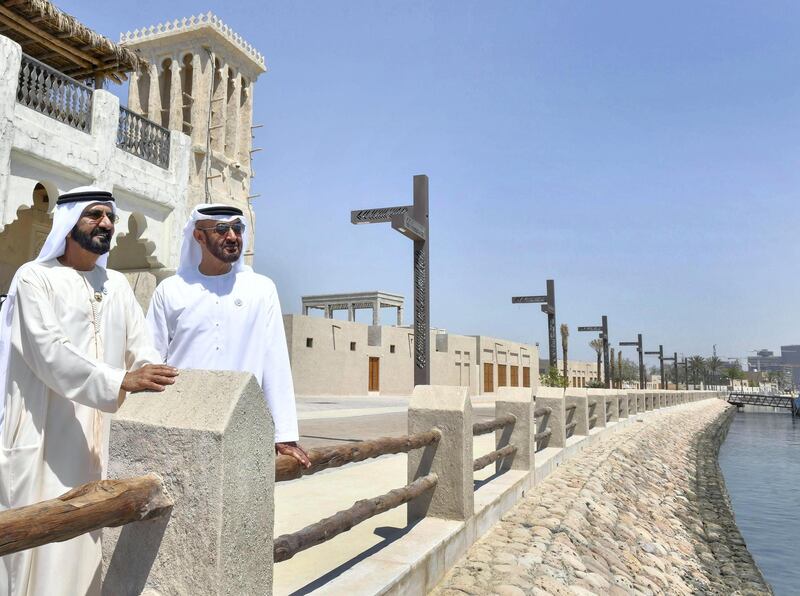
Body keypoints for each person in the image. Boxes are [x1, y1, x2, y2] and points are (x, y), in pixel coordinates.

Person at [0, 186, 178, 596]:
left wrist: (150, 370)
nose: (106, 224)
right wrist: (118, 381)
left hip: (99, 439)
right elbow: (47, 351)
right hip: (42, 436)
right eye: (94, 215)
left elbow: (143, 346)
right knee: (38, 543)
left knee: (87, 547)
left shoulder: (116, 284)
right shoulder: (34, 277)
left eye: (110, 217)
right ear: (69, 221)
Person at [146, 204, 310, 467]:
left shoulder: (261, 289)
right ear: (198, 236)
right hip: (182, 424)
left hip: (242, 424)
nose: (232, 236)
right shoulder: (171, 290)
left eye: (238, 228)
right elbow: (151, 358)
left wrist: (283, 434)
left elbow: (275, 360)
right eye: (222, 229)